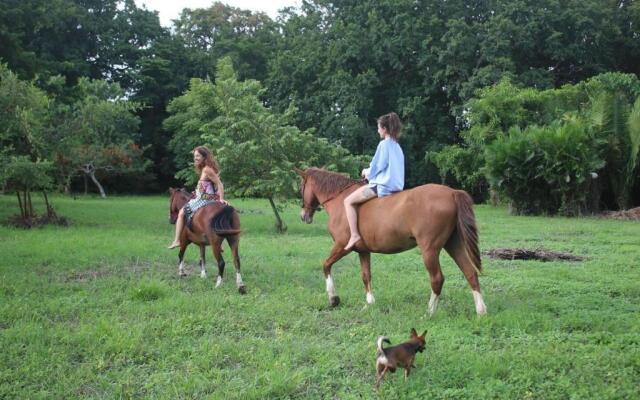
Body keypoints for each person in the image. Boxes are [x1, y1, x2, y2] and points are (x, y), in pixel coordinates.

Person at [343, 112, 404, 250]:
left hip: (382, 186)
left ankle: (354, 235)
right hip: (396, 186)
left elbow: (377, 166)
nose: (377, 131)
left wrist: (366, 172)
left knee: (348, 201)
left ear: (384, 129)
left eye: (378, 128)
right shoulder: (397, 146)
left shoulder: (384, 145)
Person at [168, 146, 227, 249]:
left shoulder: (207, 170)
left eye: (198, 156)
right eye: (194, 156)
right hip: (202, 197)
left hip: (203, 200)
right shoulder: (204, 168)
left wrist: (221, 199)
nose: (195, 158)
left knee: (181, 213)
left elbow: (219, 184)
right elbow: (207, 186)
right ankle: (219, 243)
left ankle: (177, 240)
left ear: (204, 157)